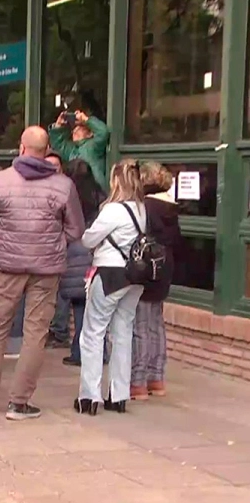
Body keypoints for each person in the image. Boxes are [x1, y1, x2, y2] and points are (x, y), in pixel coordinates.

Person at [0, 126, 85, 420]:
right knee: (35, 333)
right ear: (46, 152)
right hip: (46, 270)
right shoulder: (63, 186)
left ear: (20, 148)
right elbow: (76, 229)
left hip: (6, 267)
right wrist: (53, 242)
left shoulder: (0, 181)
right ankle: (19, 402)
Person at [75, 160, 146, 415]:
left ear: (116, 181)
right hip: (135, 277)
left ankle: (90, 396)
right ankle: (119, 395)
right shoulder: (141, 209)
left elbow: (88, 239)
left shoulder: (112, 210)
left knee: (93, 333)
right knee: (123, 333)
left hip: (110, 273)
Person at [131, 162, 180, 400]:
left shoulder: (146, 208)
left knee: (140, 325)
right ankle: (156, 378)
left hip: (146, 268)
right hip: (164, 268)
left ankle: (138, 382)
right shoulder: (170, 208)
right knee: (156, 324)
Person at [57, 160, 106, 367]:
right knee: (96, 309)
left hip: (74, 252)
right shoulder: (100, 196)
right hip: (95, 255)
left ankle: (79, 351)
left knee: (78, 307)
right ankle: (99, 352)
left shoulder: (67, 195)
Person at [50, 110, 110, 191]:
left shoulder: (94, 145)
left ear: (90, 133)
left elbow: (103, 133)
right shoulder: (71, 149)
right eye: (74, 127)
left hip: (94, 191)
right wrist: (58, 126)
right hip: (75, 191)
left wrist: (86, 120)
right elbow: (58, 144)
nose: (75, 130)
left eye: (80, 127)